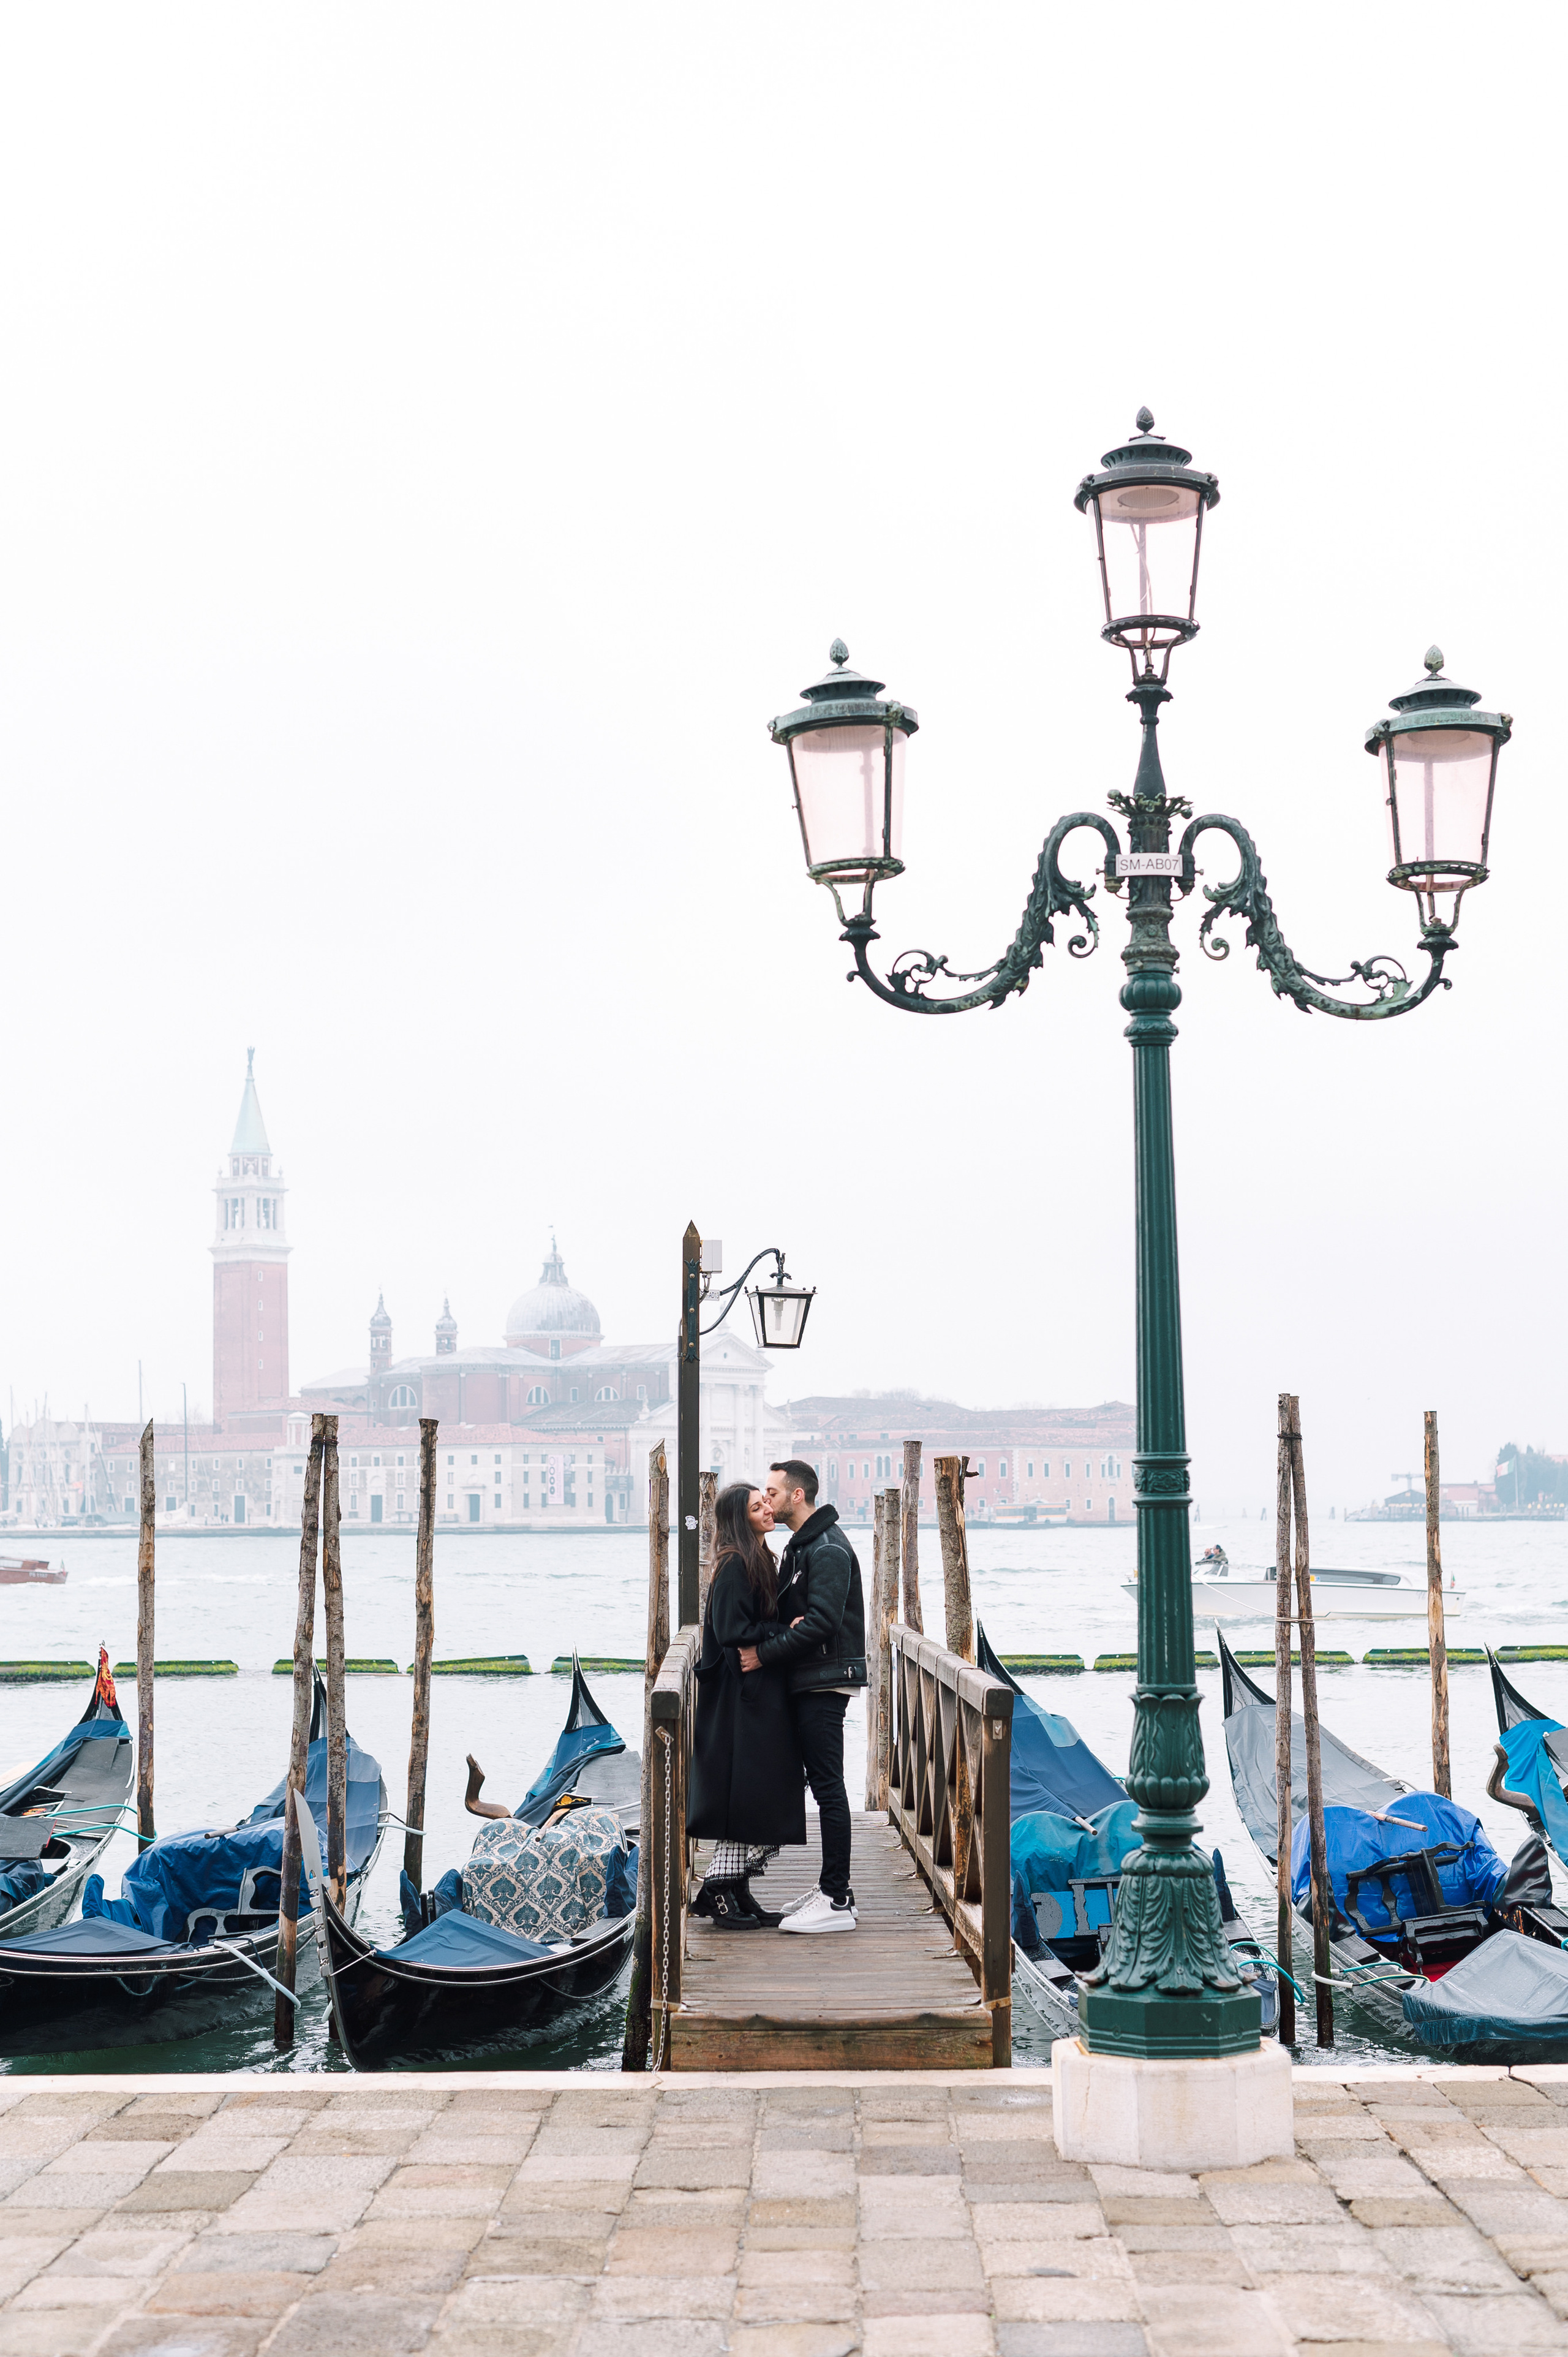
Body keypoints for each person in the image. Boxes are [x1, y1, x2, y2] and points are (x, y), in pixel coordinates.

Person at [687, 1481, 805, 1928]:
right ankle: (716, 1893)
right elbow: (732, 1627)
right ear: (742, 1518)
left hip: (753, 1693)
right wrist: (781, 1630)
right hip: (740, 1697)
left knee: (754, 1795)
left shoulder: (758, 1558)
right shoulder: (735, 1564)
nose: (767, 1511)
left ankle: (735, 1888)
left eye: (765, 1504)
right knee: (750, 1793)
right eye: (757, 1508)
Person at [756, 1459, 865, 1934]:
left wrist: (763, 1654)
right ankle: (836, 1890)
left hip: (825, 1678)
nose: (767, 1499)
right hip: (810, 1676)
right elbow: (797, 1615)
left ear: (797, 1496)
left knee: (828, 1786)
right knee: (824, 1785)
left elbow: (822, 1622)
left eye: (773, 1492)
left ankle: (837, 1897)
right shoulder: (800, 1547)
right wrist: (784, 1630)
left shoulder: (828, 1548)